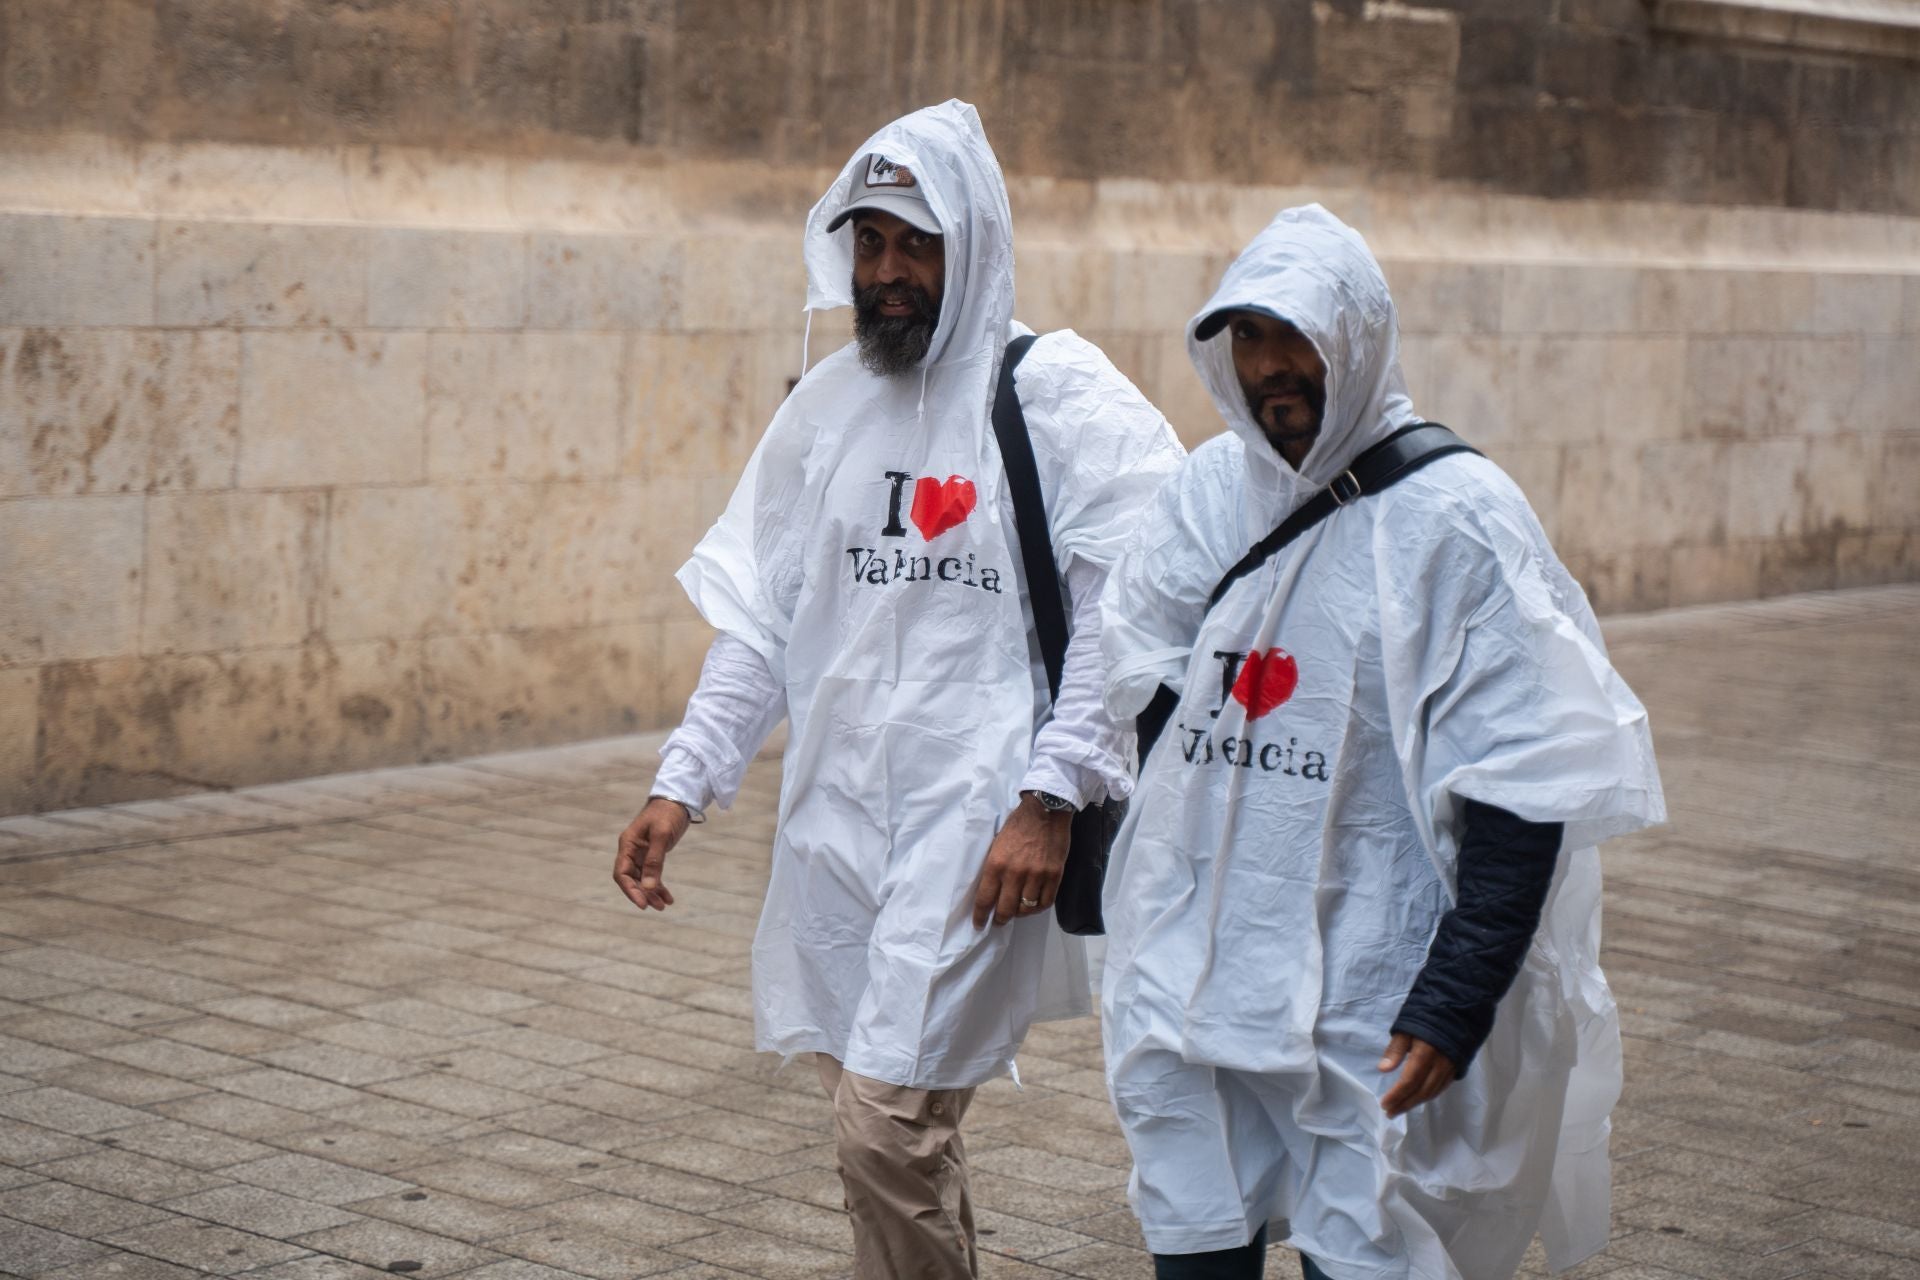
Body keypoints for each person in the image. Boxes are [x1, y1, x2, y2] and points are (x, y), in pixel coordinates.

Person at [612, 100, 1184, 1280]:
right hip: (830, 826)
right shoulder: (826, 410)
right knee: (894, 1133)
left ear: (969, 243)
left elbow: (1129, 611)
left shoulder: (1056, 395)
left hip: (975, 829)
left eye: (914, 243)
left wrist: (1052, 791)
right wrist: (687, 780)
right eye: (869, 243)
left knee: (884, 1120)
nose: (887, 273)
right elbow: (767, 617)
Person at [1096, 205, 1665, 1280]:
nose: (1273, 366)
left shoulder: (1460, 521)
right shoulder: (1212, 492)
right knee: (1191, 1239)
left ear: (1357, 336)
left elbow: (1524, 777)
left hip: (1369, 1001)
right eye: (1249, 337)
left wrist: (1454, 997)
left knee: (1364, 1251)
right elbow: (1140, 679)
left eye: (1296, 334)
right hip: (1191, 985)